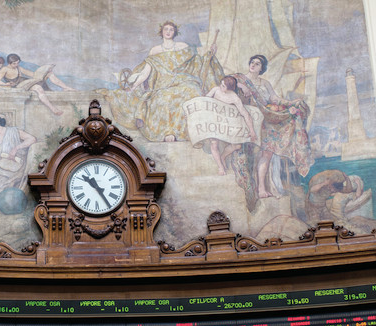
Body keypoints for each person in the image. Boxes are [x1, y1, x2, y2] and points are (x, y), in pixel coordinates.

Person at [101, 21, 223, 142]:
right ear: (162, 32)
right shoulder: (155, 50)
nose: (168, 32)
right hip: (163, 85)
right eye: (166, 29)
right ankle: (169, 132)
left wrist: (211, 54)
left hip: (183, 80)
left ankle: (191, 132)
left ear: (175, 32)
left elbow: (198, 62)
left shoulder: (183, 46)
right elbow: (145, 73)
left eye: (171, 29)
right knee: (163, 98)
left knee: (193, 91)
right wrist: (132, 88)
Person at [234, 54, 313, 198]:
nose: (253, 65)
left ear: (262, 68)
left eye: (257, 64)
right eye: (252, 62)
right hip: (249, 120)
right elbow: (225, 82)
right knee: (251, 154)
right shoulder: (239, 79)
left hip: (266, 119)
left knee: (266, 154)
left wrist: (291, 104)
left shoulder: (264, 83)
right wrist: (239, 85)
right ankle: (251, 189)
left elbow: (275, 99)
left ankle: (262, 189)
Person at [204, 75, 258, 175]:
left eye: (223, 86)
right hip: (214, 121)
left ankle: (223, 156)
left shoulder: (234, 97)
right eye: (221, 84)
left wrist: (252, 130)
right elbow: (205, 101)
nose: (221, 86)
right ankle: (220, 167)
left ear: (229, 88)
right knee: (214, 143)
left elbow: (245, 114)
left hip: (227, 123)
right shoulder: (216, 90)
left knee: (237, 145)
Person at [0, 54, 74, 116]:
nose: (16, 65)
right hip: (18, 86)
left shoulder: (18, 68)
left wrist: (44, 72)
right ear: (9, 63)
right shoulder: (5, 69)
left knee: (49, 74)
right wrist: (6, 84)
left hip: (26, 82)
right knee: (38, 88)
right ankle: (53, 109)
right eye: (14, 63)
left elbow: (32, 74)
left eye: (18, 63)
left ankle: (65, 87)